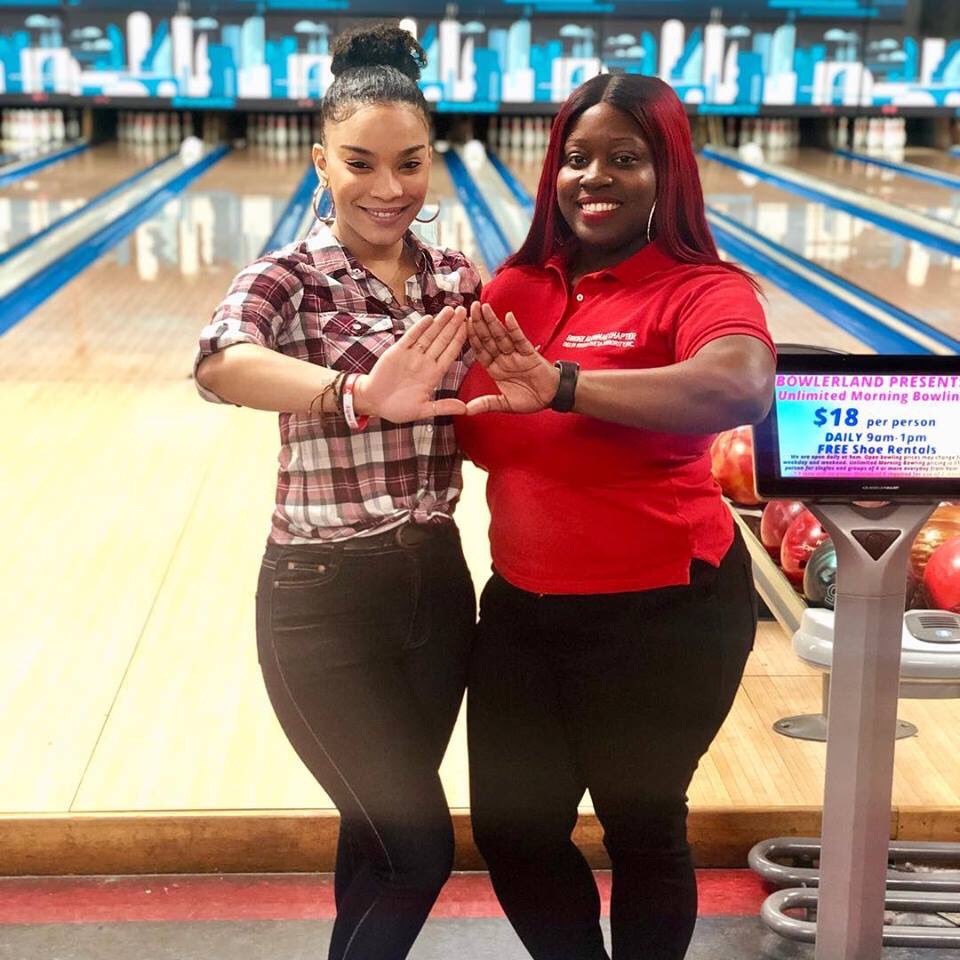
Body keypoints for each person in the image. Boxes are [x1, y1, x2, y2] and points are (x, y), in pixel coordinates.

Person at [455, 74, 777, 960]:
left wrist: (564, 386)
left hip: (665, 613)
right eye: (576, 156)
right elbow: (471, 430)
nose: (592, 177)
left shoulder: (700, 288)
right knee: (512, 832)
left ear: (668, 170)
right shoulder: (516, 288)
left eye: (624, 158)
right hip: (523, 610)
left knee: (641, 829)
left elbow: (740, 386)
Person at [193, 25, 481, 960]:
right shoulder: (288, 277)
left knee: (376, 840)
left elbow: (496, 403)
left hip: (438, 590)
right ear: (321, 160)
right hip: (321, 602)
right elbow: (222, 363)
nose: (389, 188)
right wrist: (355, 393)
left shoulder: (457, 281)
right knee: (420, 849)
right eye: (361, 162)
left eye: (411, 163)